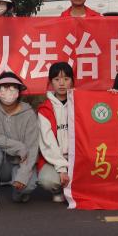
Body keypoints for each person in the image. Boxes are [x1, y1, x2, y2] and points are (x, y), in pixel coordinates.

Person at [0, 72, 39, 212]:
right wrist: (18, 146)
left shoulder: (29, 113)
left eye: (13, 87)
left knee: (28, 186)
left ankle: (19, 192)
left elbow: (32, 147)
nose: (8, 91)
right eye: (4, 87)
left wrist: (22, 175)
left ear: (19, 91)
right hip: (1, 163)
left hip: (21, 162)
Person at [37, 62, 74, 203]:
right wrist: (62, 168)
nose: (62, 83)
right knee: (47, 180)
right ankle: (58, 190)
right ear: (51, 82)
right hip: (54, 160)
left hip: (77, 158)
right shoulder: (45, 109)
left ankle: (73, 190)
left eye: (66, 79)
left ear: (72, 81)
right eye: (57, 79)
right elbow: (48, 143)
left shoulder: (80, 103)